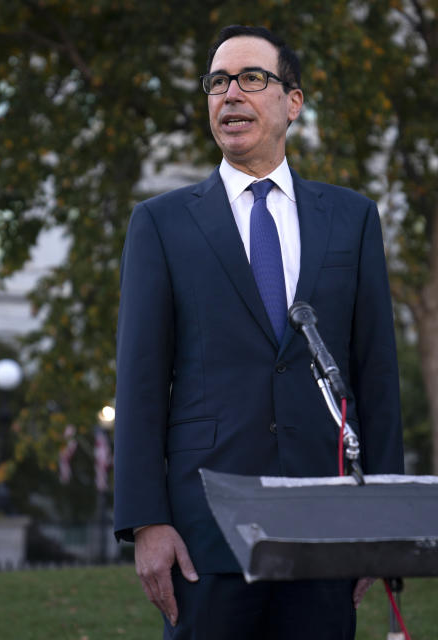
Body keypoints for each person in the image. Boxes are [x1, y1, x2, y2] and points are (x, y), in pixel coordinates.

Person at [113, 24, 404, 640]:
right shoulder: (161, 224)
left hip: (326, 526)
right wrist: (146, 522)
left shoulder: (352, 219)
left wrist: (380, 522)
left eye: (251, 79)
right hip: (204, 533)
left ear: (292, 101)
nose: (230, 95)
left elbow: (375, 374)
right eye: (217, 83)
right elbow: (139, 382)